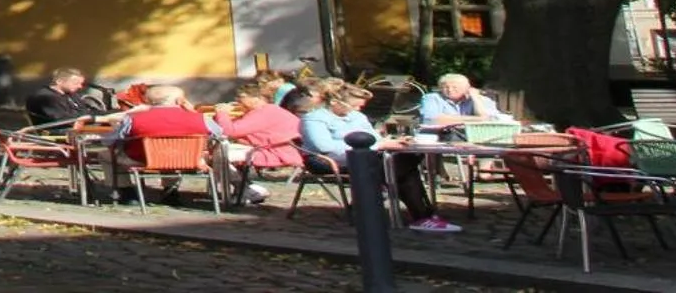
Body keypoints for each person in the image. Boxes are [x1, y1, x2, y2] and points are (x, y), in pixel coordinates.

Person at [300, 81, 459, 233]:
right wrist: (378, 146)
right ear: (335, 102)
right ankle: (423, 216)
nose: (359, 108)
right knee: (402, 166)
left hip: (367, 156)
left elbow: (373, 137)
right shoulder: (314, 118)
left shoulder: (357, 116)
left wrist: (390, 142)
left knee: (405, 161)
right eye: (354, 105)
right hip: (326, 160)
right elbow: (325, 147)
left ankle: (415, 211)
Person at [216, 82, 304, 205]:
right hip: (272, 149)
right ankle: (246, 188)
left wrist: (222, 114)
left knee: (219, 155)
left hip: (277, 152)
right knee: (220, 151)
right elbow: (235, 126)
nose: (237, 100)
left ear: (256, 98)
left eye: (241, 97)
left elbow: (231, 131)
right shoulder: (267, 110)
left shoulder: (265, 113)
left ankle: (246, 189)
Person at [417, 73, 512, 129]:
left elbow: (490, 120)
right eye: (445, 87)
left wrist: (475, 98)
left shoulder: (483, 100)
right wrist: (478, 119)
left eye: (455, 87)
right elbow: (431, 119)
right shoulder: (431, 98)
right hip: (439, 138)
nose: (450, 90)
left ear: (467, 88)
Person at [25, 67, 108, 127]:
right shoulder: (45, 97)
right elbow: (63, 120)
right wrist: (94, 118)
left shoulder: (71, 94)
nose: (80, 87)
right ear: (59, 81)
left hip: (77, 126)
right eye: (76, 83)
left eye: (81, 83)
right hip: (57, 131)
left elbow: (84, 111)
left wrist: (110, 114)